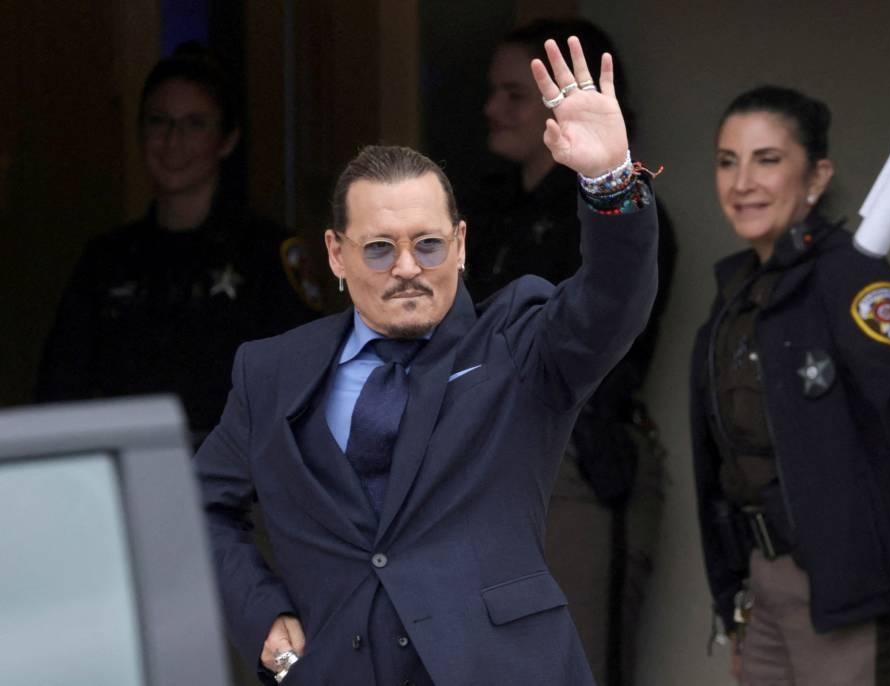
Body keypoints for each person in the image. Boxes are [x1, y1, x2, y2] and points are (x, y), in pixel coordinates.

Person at [194, 36, 658, 685]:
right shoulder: (272, 370)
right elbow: (201, 508)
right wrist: (262, 617)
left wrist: (610, 182)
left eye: (430, 245)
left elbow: (612, 303)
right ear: (336, 254)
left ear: (462, 244)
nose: (408, 268)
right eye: (379, 248)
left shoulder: (518, 342)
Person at [689, 85, 890, 685]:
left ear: (816, 176)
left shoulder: (848, 273)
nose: (742, 182)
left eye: (767, 159)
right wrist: (731, 595)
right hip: (762, 580)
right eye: (727, 161)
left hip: (850, 576)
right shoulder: (737, 294)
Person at [460, 18, 676, 686]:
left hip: (573, 462)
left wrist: (608, 180)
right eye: (493, 92)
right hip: (474, 462)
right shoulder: (483, 207)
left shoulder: (625, 209)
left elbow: (609, 311)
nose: (494, 109)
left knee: (568, 662)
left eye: (514, 95)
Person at [36, 44, 318, 441]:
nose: (172, 140)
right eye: (158, 121)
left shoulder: (266, 254)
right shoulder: (106, 260)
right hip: (130, 477)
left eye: (195, 124)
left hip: (239, 487)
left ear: (227, 138)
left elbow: (307, 393)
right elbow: (58, 394)